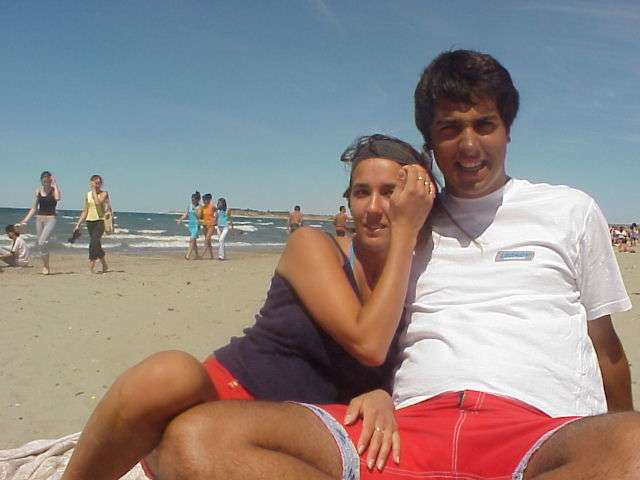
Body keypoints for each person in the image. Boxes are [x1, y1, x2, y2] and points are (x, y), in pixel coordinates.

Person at [144, 50, 638, 480]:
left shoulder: (569, 210)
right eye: (450, 129)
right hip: (408, 432)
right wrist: (376, 393)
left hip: (540, 434)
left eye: (484, 125)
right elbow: (369, 333)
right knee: (197, 440)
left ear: (507, 130)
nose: (469, 145)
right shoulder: (409, 229)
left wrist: (613, 434)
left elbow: (606, 349)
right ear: (431, 145)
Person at [60, 134, 436, 480]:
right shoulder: (312, 246)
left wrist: (384, 393)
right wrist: (405, 231)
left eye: (390, 192)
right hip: (217, 401)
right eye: (361, 192)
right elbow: (367, 342)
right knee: (169, 373)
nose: (373, 208)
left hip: (286, 439)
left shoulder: (431, 281)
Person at [16, 171, 61, 275]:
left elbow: (58, 198)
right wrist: (25, 220)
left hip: (51, 219)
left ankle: (46, 266)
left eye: (48, 181)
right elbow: (34, 208)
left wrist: (55, 184)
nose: (46, 183)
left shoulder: (54, 190)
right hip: (39, 219)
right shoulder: (38, 191)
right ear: (41, 181)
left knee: (42, 242)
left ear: (50, 180)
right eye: (44, 181)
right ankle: (46, 266)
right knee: (40, 244)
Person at [73, 174, 111, 273]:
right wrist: (78, 224)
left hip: (100, 221)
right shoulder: (88, 195)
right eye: (95, 183)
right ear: (91, 183)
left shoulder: (104, 193)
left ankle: (91, 266)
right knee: (96, 244)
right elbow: (85, 210)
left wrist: (94, 190)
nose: (97, 185)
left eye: (99, 183)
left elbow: (98, 202)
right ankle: (105, 265)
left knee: (93, 242)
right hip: (89, 221)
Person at [176, 191, 202, 260]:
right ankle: (197, 255)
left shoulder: (199, 207)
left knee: (192, 240)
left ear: (197, 200)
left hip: (196, 225)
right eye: (192, 199)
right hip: (191, 225)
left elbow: (199, 216)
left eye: (193, 200)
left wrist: (195, 211)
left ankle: (188, 255)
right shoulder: (189, 206)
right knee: (194, 242)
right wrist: (180, 219)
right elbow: (186, 214)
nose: (192, 201)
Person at [200, 193, 217, 259]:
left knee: (207, 239)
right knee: (208, 241)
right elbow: (201, 216)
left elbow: (218, 213)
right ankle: (212, 256)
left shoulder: (212, 206)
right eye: (203, 199)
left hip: (211, 225)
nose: (203, 201)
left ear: (209, 199)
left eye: (205, 199)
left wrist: (215, 220)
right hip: (204, 225)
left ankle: (202, 255)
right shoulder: (203, 207)